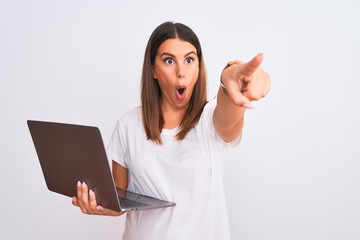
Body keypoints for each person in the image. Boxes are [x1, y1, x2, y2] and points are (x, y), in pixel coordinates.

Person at [72, 21, 270, 239]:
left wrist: (231, 79)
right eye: (169, 60)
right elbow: (119, 200)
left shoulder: (209, 119)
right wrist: (96, 204)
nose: (181, 72)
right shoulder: (128, 124)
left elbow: (228, 113)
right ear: (153, 69)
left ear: (198, 66)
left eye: (189, 60)